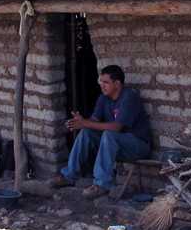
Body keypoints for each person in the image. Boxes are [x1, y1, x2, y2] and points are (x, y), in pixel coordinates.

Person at [50, 65, 152, 198]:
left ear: (117, 83)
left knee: (109, 135)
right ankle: (69, 175)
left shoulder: (129, 97)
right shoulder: (104, 98)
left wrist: (86, 123)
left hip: (138, 146)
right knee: (86, 133)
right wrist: (81, 122)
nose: (102, 86)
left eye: (106, 82)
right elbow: (92, 123)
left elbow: (117, 128)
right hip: (117, 145)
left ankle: (102, 184)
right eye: (101, 82)